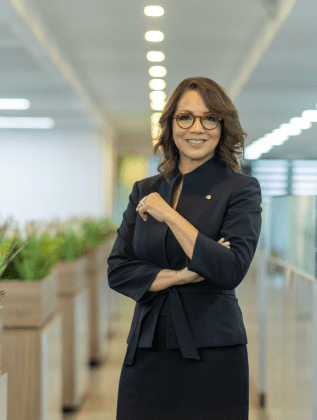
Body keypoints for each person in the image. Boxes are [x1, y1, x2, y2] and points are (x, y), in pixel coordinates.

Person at [107, 77, 262, 420]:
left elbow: (230, 269)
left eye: (209, 118)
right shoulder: (144, 190)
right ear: (171, 125)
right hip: (147, 345)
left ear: (223, 126)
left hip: (213, 349)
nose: (197, 128)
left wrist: (169, 215)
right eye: (186, 117)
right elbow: (118, 270)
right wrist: (183, 275)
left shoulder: (240, 189)